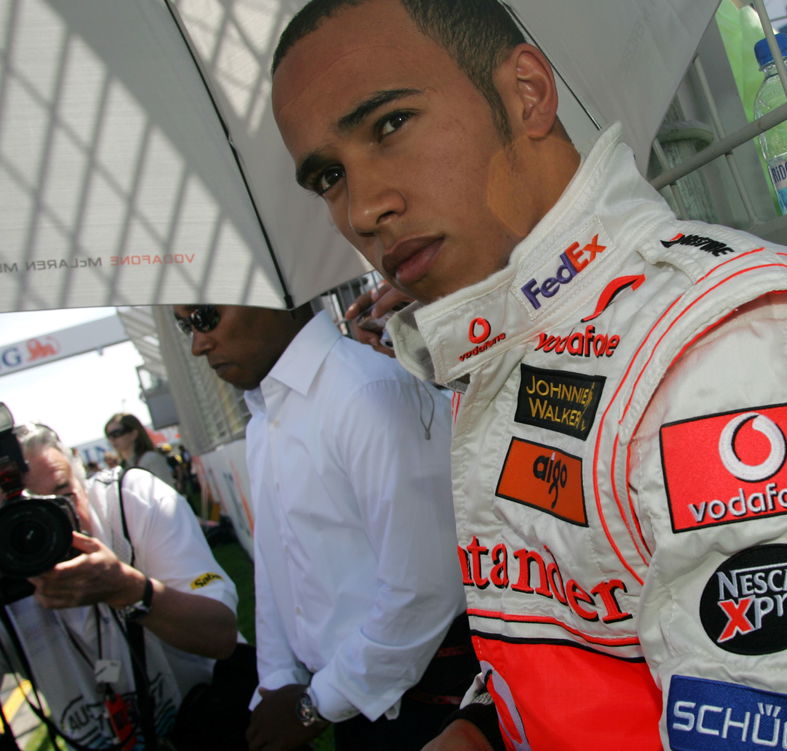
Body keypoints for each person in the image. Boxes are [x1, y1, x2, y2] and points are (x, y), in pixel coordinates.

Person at [270, 0, 787, 750]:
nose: (364, 209)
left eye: (390, 124)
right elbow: (581, 647)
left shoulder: (727, 354)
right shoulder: (504, 345)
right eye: (329, 176)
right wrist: (480, 730)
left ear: (527, 92)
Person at [173, 302, 475, 750]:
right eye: (185, 326)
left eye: (205, 318)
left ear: (274, 295)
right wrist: (276, 680)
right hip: (350, 704)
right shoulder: (263, 421)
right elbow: (276, 568)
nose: (198, 344)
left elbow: (427, 588)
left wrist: (314, 704)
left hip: (429, 708)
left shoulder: (368, 390)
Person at [1, 422, 239, 749]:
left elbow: (220, 635)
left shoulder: (129, 502)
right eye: (16, 515)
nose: (42, 526)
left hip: (213, 723)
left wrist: (128, 590)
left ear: (82, 480)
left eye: (62, 496)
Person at [104, 412, 176, 487]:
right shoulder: (122, 467)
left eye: (116, 433)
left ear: (133, 434)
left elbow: (165, 492)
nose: (112, 439)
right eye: (108, 435)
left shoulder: (151, 459)